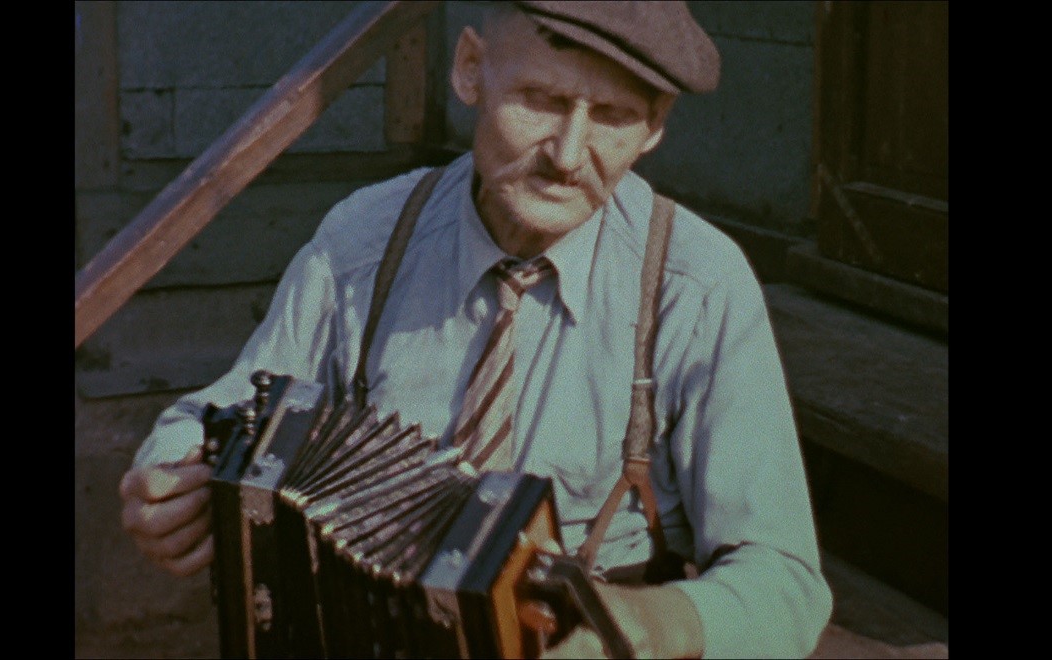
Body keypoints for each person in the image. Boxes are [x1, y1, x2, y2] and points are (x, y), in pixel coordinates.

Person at [119, 2, 833, 657]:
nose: (566, 153)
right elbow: (232, 412)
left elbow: (786, 582)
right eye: (541, 100)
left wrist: (650, 623)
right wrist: (174, 470)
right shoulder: (364, 239)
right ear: (469, 69)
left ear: (653, 126)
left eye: (611, 116)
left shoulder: (695, 286)